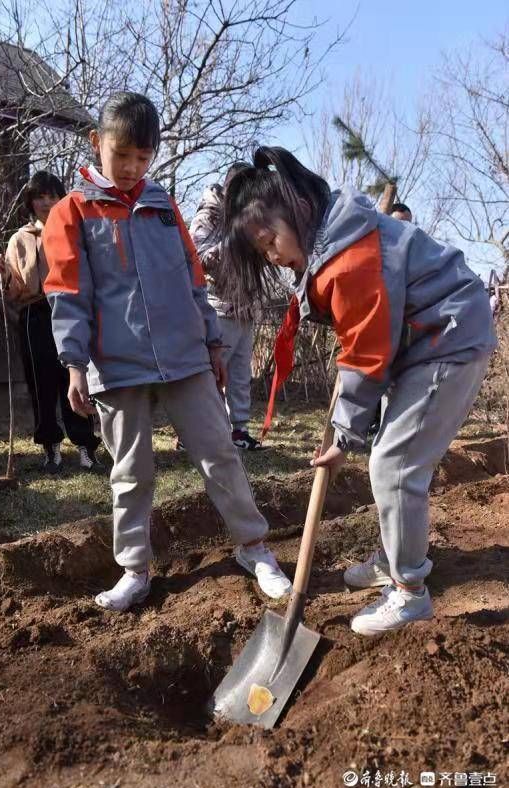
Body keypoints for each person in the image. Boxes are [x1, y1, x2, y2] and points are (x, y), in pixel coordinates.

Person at [222, 146, 496, 636]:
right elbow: (363, 345)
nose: (274, 256)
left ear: (298, 209)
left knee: (394, 463)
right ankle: (395, 557)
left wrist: (345, 436)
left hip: (447, 338)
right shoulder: (333, 241)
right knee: (392, 456)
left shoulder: (348, 257)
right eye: (263, 253)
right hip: (421, 342)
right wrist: (350, 426)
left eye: (270, 242)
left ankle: (409, 591)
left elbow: (368, 353)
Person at [42, 92, 292, 611]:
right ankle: (134, 569)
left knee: (220, 453)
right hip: (117, 364)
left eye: (143, 158)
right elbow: (67, 292)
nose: (132, 168)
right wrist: (73, 363)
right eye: (122, 156)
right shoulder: (73, 212)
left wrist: (213, 342)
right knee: (131, 471)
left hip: (185, 356)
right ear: (96, 144)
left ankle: (254, 548)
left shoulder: (162, 206)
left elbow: (193, 278)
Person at [0, 171, 101, 473]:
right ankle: (50, 447)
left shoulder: (74, 231)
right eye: (40, 196)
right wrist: (2, 274)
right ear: (30, 200)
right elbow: (12, 290)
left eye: (53, 195)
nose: (46, 202)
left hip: (70, 309)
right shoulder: (19, 239)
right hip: (35, 315)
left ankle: (84, 446)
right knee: (41, 382)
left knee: (74, 378)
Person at [187, 164, 263, 450]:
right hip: (218, 308)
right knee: (213, 375)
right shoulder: (210, 214)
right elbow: (197, 258)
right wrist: (234, 242)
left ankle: (239, 431)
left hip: (246, 307)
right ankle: (196, 433)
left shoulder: (251, 214)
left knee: (241, 375)